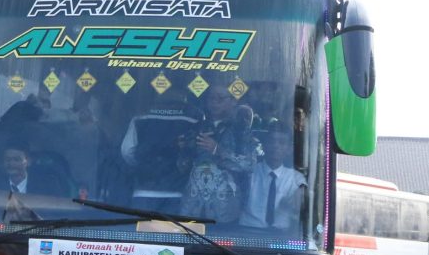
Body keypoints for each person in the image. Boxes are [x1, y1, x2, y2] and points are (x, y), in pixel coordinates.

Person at [179, 92, 257, 222]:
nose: (215, 102)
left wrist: (218, 150)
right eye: (211, 97)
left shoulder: (241, 131)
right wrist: (183, 150)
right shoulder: (196, 126)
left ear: (233, 101)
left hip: (225, 208)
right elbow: (182, 168)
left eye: (220, 98)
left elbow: (250, 164)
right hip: (192, 208)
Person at [119, 99, 199, 213]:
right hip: (178, 191)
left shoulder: (141, 115)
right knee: (176, 230)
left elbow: (127, 151)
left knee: (142, 229)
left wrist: (144, 166)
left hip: (144, 190)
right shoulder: (195, 116)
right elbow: (198, 152)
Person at [239, 124, 306, 231]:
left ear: (289, 149)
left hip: (281, 235)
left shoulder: (296, 178)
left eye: (282, 142)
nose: (276, 146)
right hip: (248, 231)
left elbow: (302, 192)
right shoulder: (250, 172)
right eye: (271, 141)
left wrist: (299, 195)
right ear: (264, 146)